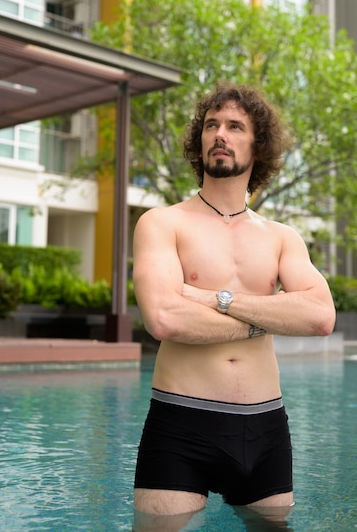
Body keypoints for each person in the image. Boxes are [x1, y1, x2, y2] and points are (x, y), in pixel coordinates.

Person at [132, 82, 336, 531]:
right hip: (181, 424)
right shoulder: (163, 223)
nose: (219, 134)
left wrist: (211, 298)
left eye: (234, 126)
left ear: (257, 147)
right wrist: (268, 317)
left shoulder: (283, 237)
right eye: (211, 125)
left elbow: (320, 316)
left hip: (265, 430)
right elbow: (164, 318)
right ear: (200, 141)